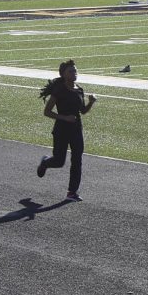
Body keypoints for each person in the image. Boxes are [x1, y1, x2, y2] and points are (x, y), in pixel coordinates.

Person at [37, 60, 97, 201]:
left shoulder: (79, 89)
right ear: (63, 74)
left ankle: (72, 192)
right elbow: (47, 112)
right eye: (71, 71)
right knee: (59, 161)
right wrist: (64, 118)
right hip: (61, 130)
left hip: (76, 130)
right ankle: (45, 162)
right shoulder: (59, 90)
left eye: (75, 70)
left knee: (77, 160)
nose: (74, 73)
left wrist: (91, 102)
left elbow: (82, 111)